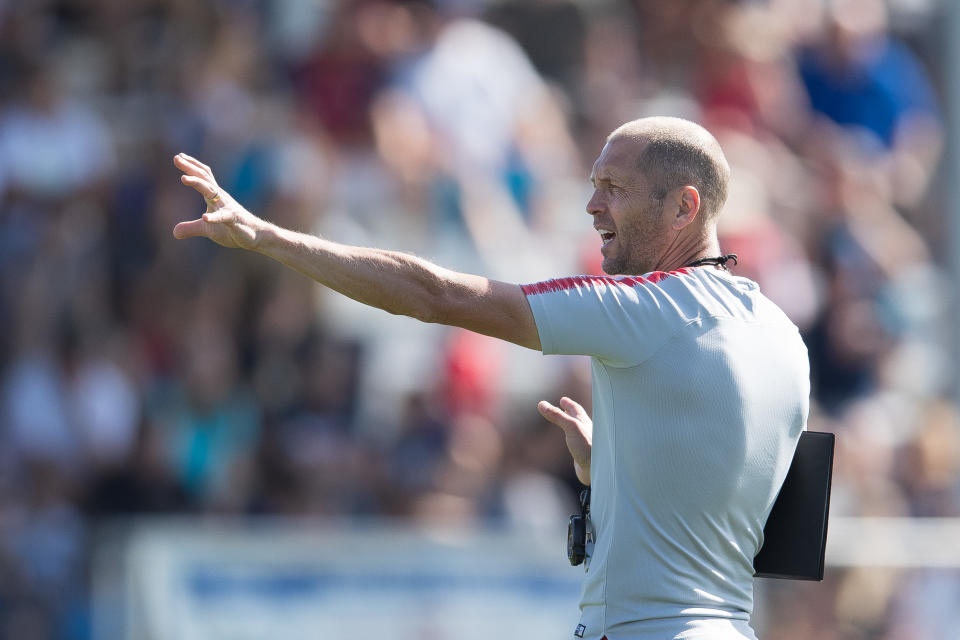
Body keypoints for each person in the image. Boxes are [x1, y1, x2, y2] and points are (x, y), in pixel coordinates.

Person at [172, 116, 809, 640]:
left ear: (684, 206)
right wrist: (611, 470)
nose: (592, 205)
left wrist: (269, 238)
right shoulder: (785, 339)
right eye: (594, 184)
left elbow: (434, 296)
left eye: (615, 186)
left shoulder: (642, 309)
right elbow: (777, 537)